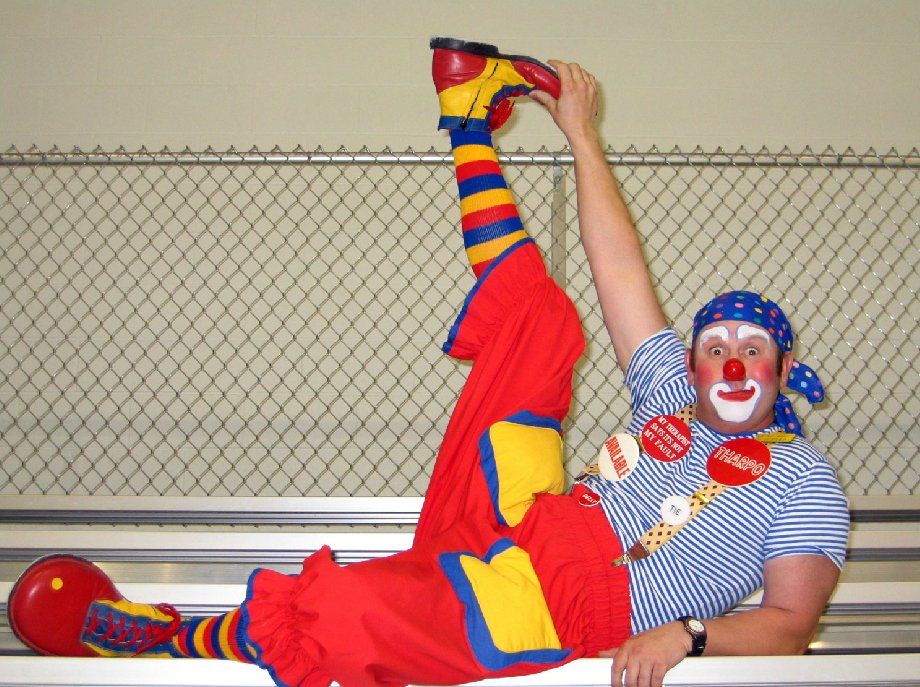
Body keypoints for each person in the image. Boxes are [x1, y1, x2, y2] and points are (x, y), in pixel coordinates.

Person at [6, 38, 849, 687]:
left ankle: (153, 631)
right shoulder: (669, 393)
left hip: (563, 601)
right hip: (528, 513)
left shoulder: (805, 477)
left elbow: (789, 618)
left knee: (339, 611)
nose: (731, 362)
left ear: (781, 369)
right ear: (694, 366)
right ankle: (468, 114)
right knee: (544, 320)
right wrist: (582, 134)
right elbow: (619, 266)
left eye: (753, 350)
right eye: (715, 348)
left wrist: (688, 635)